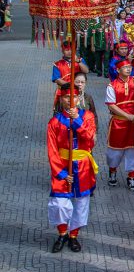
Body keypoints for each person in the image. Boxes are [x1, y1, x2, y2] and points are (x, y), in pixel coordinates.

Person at [47, 83, 97, 253]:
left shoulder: (88, 116)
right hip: (62, 165)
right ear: (61, 99)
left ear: (79, 97)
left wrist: (77, 120)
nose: (70, 100)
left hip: (83, 166)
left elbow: (90, 139)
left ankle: (74, 235)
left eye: (74, 97)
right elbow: (52, 150)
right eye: (67, 97)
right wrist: (61, 173)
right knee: (59, 204)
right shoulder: (54, 122)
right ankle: (62, 233)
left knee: (81, 203)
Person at [105, 59, 134, 190]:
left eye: (130, 67)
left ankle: (132, 177)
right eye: (125, 67)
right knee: (114, 151)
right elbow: (111, 106)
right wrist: (127, 116)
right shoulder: (112, 86)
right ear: (118, 70)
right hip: (119, 122)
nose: (129, 69)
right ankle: (112, 171)